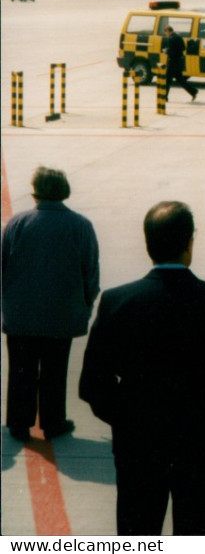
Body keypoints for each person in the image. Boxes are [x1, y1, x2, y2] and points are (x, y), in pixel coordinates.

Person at [79, 201, 205, 536]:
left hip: (138, 446)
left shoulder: (118, 300)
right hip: (201, 448)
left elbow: (91, 385)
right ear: (189, 243)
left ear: (148, 245)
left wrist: (127, 419)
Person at [2, 166, 100, 443]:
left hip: (21, 313)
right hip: (62, 313)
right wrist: (87, 302)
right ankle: (53, 422)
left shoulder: (18, 223)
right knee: (55, 370)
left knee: (22, 368)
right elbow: (90, 270)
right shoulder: (81, 225)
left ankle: (19, 424)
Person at [162, 25, 198, 101]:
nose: (166, 34)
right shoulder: (179, 37)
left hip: (173, 61)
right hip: (179, 61)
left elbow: (172, 52)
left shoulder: (171, 39)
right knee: (180, 79)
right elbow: (183, 48)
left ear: (168, 31)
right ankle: (193, 91)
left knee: (168, 79)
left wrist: (166, 51)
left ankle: (164, 96)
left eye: (166, 33)